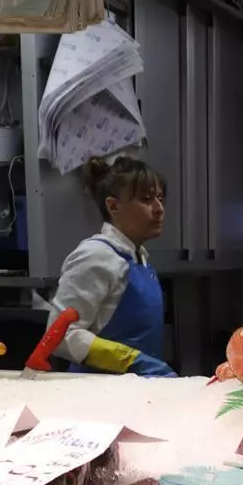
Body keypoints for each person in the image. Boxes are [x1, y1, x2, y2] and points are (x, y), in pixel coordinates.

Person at [46, 156, 176, 377]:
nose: (159, 208)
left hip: (137, 388)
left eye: (160, 198)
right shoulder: (96, 255)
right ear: (113, 206)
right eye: (146, 199)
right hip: (97, 391)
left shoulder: (139, 258)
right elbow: (60, 335)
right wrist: (130, 360)